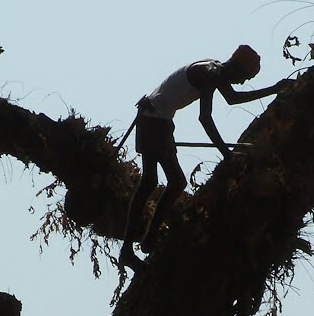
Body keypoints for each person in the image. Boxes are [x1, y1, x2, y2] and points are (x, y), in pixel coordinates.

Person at [119, 44, 291, 270]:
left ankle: (144, 242)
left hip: (157, 119)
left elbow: (232, 99)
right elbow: (205, 118)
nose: (242, 82)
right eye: (245, 77)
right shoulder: (211, 73)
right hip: (154, 120)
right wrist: (226, 154)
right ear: (237, 68)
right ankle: (137, 246)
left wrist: (274, 89)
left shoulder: (216, 71)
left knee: (159, 181)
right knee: (162, 181)